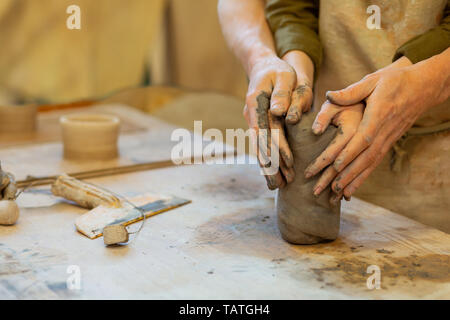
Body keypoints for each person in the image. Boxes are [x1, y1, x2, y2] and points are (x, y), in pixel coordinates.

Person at [218, 0, 450, 232]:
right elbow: (292, 7)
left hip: (436, 169)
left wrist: (428, 78)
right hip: (333, 124)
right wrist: (293, 73)